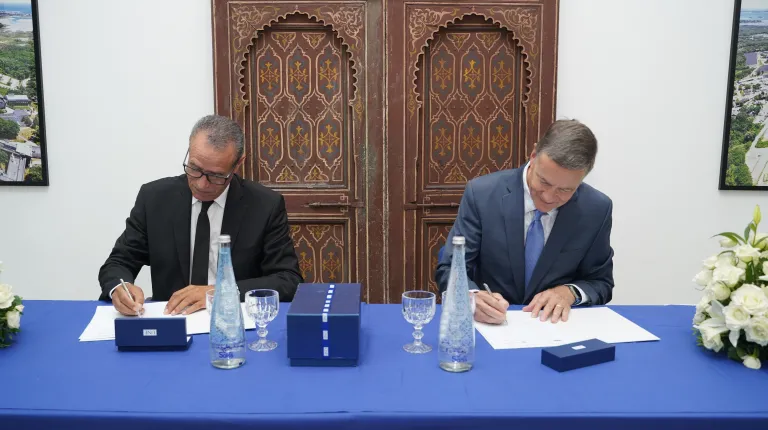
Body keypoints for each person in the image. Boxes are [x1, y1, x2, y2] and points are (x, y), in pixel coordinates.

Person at [99, 115, 303, 316]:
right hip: (172, 319)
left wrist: (221, 292)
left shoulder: (264, 205)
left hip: (232, 320)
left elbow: (288, 280)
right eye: (195, 169)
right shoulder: (154, 199)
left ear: (237, 165)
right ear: (189, 151)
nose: (201, 184)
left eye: (216, 175)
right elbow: (119, 262)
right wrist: (120, 288)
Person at [435, 119, 613, 324]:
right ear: (534, 155)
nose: (548, 197)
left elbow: (601, 282)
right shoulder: (482, 195)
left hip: (554, 327)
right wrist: (471, 297)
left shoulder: (595, 209)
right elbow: (450, 267)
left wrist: (570, 292)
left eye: (565, 190)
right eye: (544, 182)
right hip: (491, 325)